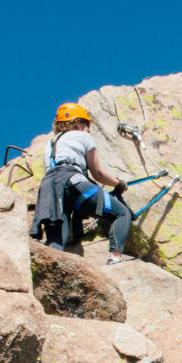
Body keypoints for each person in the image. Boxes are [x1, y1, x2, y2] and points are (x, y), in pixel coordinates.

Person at [30, 103, 133, 264]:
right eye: (86, 126)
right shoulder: (82, 136)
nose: (88, 130)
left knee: (56, 239)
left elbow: (52, 172)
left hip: (50, 190)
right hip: (75, 183)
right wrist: (118, 183)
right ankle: (115, 257)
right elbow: (97, 173)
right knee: (121, 214)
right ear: (78, 123)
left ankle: (49, 267)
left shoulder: (49, 146)